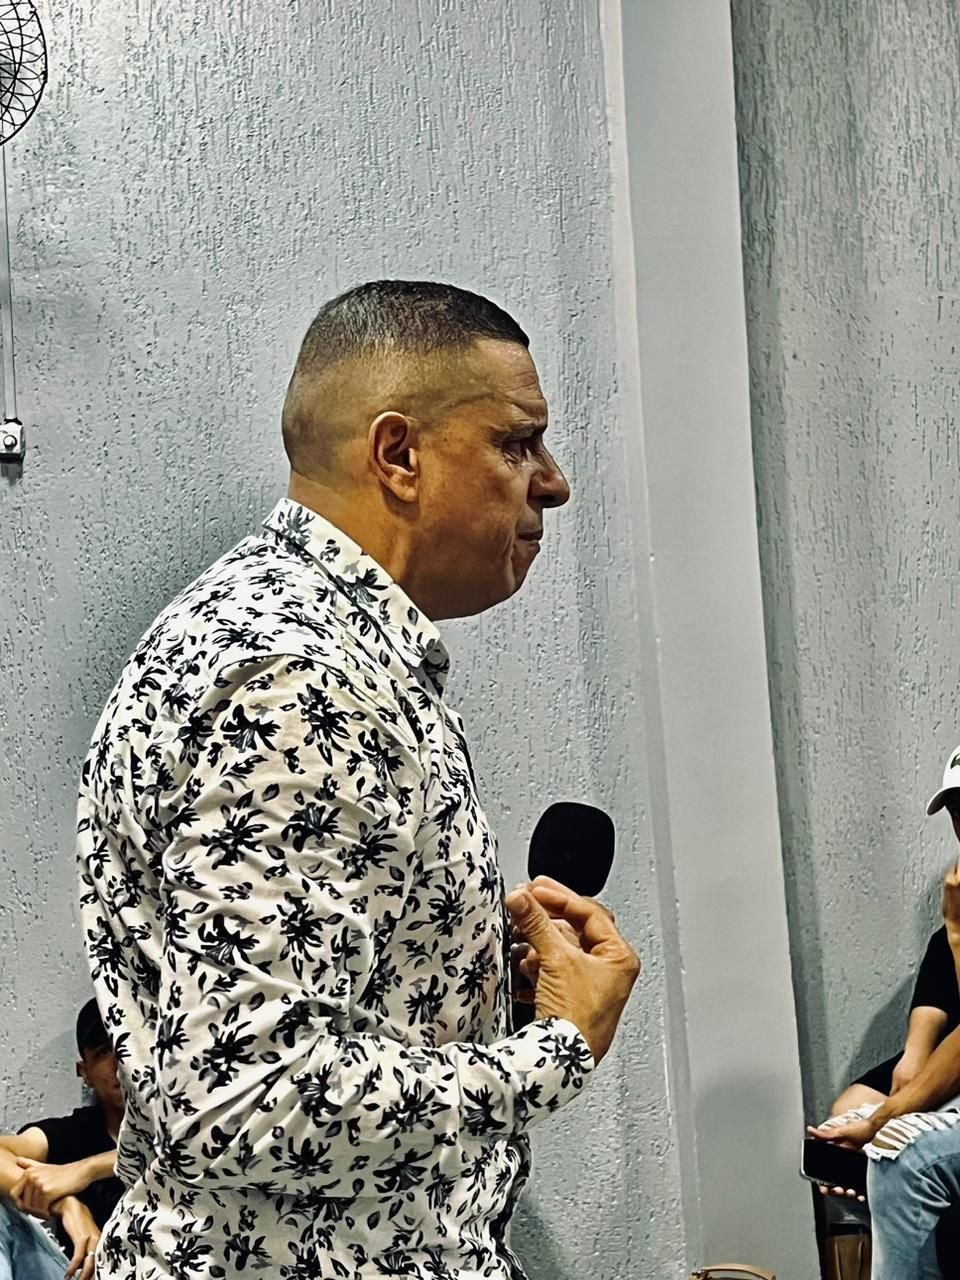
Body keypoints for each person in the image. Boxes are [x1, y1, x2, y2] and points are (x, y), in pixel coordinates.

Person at [77, 280, 641, 1280]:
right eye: (517, 443)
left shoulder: (306, 641)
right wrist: (554, 1050)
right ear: (399, 455)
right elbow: (249, 1097)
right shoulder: (295, 675)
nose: (552, 483)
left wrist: (461, 989)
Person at [809, 746, 960, 1278]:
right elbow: (927, 1030)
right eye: (957, 810)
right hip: (950, 1060)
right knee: (848, 1109)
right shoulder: (948, 927)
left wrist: (888, 1119)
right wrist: (905, 1079)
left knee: (897, 1147)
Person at [0, 998, 124, 1280]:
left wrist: (88, 1169)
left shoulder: (191, 1129)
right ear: (85, 1073)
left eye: (126, 1047)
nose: (119, 1063)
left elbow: (179, 1155)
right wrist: (65, 1204)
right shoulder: (77, 1132)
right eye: (104, 1052)